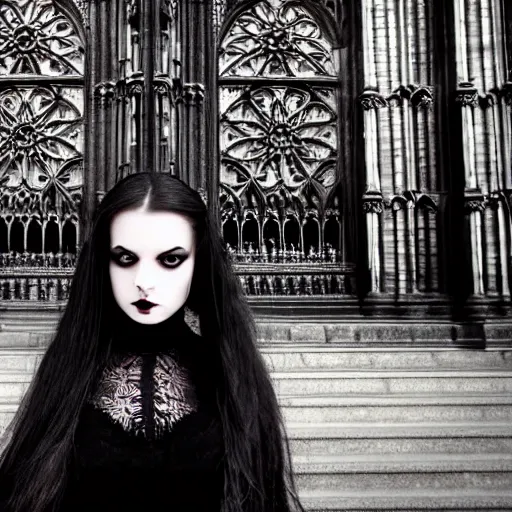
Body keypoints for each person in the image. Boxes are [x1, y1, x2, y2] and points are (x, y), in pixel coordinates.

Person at [0, 172, 304, 512]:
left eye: (170, 259)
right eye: (125, 259)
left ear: (198, 261)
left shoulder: (229, 375)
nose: (144, 282)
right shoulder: (70, 371)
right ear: (103, 261)